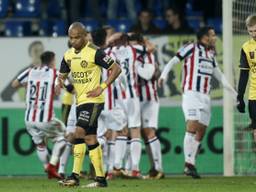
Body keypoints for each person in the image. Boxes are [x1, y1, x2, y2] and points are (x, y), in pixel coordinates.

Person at [158, 26, 237, 178]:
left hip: (205, 96)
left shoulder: (211, 52)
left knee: (201, 131)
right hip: (191, 93)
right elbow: (174, 60)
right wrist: (163, 75)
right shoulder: (191, 47)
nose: (215, 37)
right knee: (192, 124)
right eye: (213, 35)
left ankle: (191, 164)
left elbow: (219, 75)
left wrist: (234, 94)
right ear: (205, 37)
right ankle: (188, 163)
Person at [56, 22, 121, 188]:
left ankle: (74, 176)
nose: (73, 41)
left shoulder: (95, 52)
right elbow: (62, 74)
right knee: (90, 138)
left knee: (78, 132)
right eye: (71, 38)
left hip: (93, 101)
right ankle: (101, 179)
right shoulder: (68, 55)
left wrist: (103, 86)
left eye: (77, 37)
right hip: (80, 102)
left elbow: (116, 68)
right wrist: (60, 82)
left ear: (85, 36)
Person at [12, 51, 66, 179]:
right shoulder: (54, 73)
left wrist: (28, 85)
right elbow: (61, 89)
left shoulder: (30, 71)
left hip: (29, 118)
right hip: (45, 117)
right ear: (52, 60)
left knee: (40, 144)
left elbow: (14, 84)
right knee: (64, 137)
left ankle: (47, 167)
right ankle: (52, 166)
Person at [237, 15, 256, 143]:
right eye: (251, 31)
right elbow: (244, 74)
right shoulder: (246, 47)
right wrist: (240, 97)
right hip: (254, 94)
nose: (254, 34)